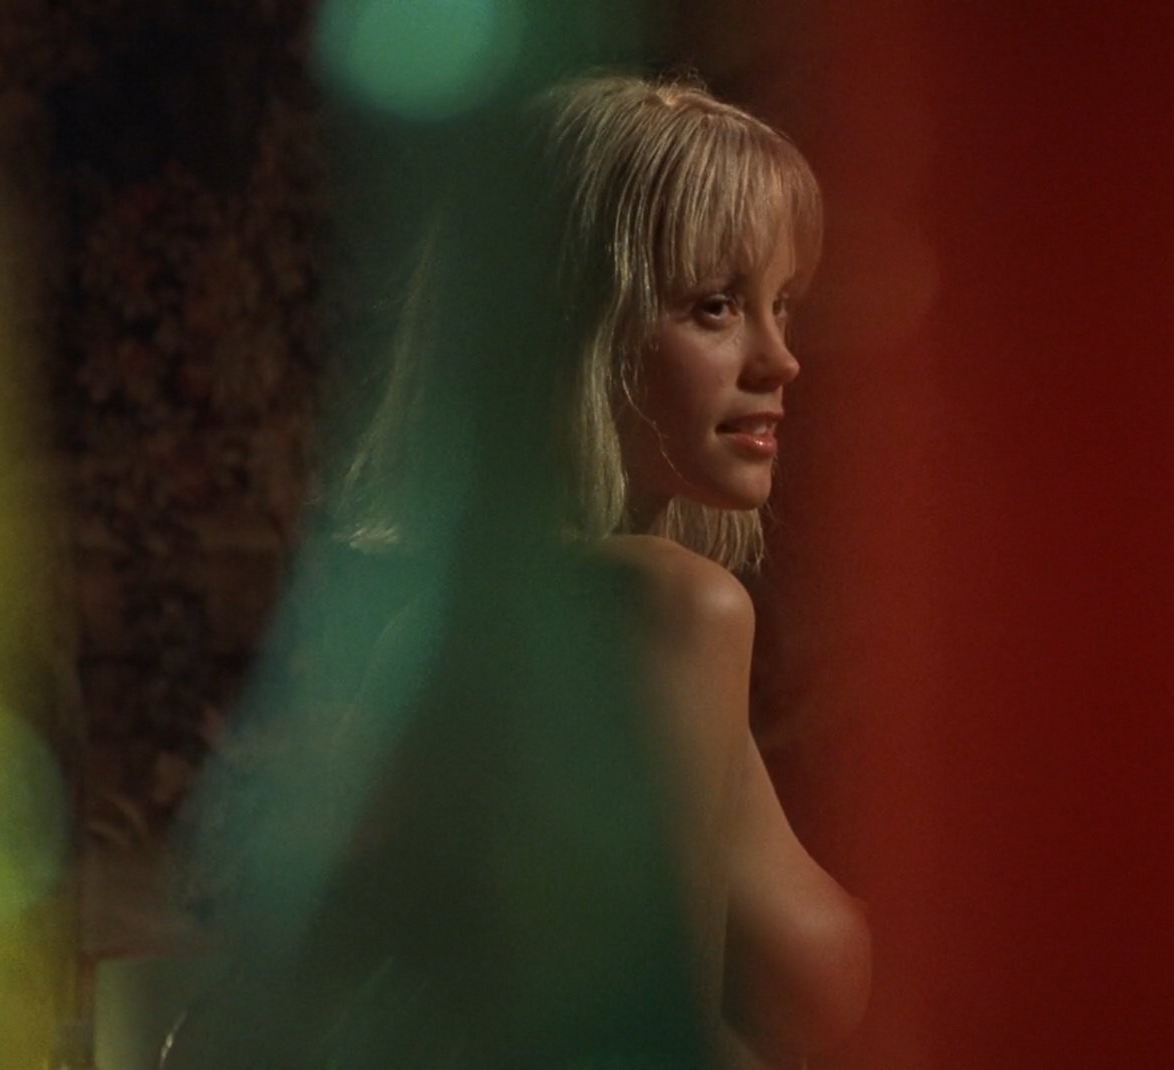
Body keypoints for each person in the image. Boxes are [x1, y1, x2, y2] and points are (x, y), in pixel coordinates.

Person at [176, 73, 868, 1070]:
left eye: (784, 304)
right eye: (715, 306)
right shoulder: (670, 605)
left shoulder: (457, 624)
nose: (781, 358)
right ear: (569, 325)